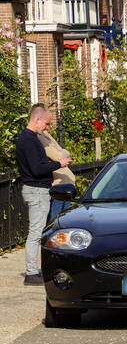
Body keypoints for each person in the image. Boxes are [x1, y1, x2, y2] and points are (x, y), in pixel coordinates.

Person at [15, 104, 73, 286]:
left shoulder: (29, 138)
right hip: (37, 190)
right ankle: (31, 273)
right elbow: (37, 168)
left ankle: (34, 270)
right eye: (46, 124)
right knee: (36, 232)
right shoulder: (29, 140)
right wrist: (59, 163)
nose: (47, 127)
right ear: (37, 119)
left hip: (37, 190)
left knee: (39, 231)